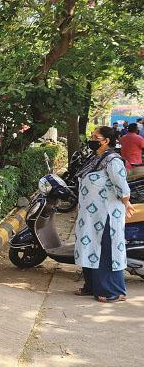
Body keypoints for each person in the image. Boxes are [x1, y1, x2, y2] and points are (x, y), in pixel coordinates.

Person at [74, 126, 135, 302]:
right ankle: (91, 286)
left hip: (106, 214)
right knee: (89, 248)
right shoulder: (96, 158)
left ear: (106, 141)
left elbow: (122, 187)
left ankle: (112, 290)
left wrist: (126, 202)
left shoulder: (113, 161)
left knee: (106, 251)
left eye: (96, 137)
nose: (92, 139)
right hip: (90, 216)